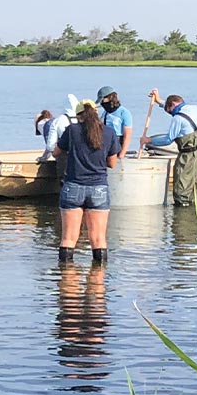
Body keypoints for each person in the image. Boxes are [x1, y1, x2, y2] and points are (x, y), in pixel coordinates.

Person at [53, 99, 121, 264]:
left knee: (68, 239)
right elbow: (112, 163)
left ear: (78, 116)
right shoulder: (109, 132)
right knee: (98, 239)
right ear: (96, 113)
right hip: (99, 188)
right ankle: (97, 283)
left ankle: (68, 282)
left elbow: (56, 152)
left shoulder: (72, 130)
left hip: (73, 186)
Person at [140, 88, 197, 207]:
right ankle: (193, 220)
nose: (170, 114)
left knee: (181, 191)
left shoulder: (178, 119)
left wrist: (149, 140)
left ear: (173, 105)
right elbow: (173, 108)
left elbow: (168, 139)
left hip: (187, 157)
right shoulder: (195, 109)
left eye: (169, 110)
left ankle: (181, 219)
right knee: (193, 190)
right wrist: (159, 101)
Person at [95, 86, 133, 157]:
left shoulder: (124, 112)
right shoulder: (105, 113)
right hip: (105, 143)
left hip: (117, 143)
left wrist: (122, 154)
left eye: (103, 100)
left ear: (110, 98)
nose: (102, 103)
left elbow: (127, 136)